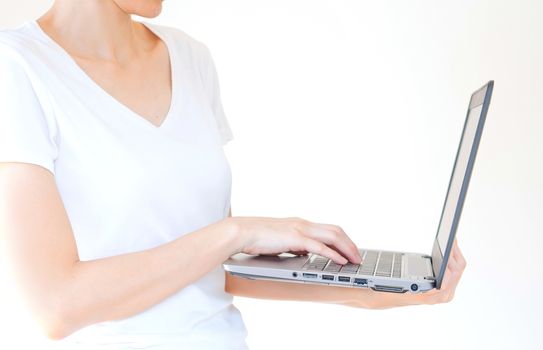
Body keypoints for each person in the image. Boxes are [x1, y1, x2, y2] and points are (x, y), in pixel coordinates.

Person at [0, 1, 467, 349]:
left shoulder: (189, 57)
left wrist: (388, 291)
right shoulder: (18, 67)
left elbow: (214, 272)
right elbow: (56, 307)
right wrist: (237, 231)